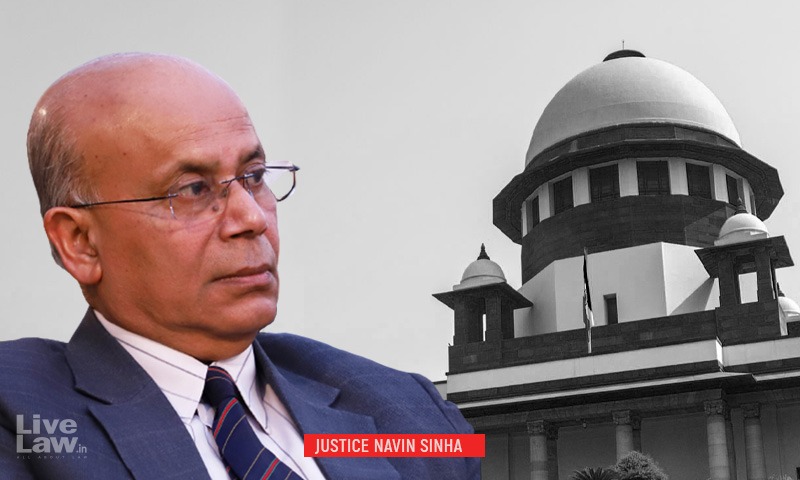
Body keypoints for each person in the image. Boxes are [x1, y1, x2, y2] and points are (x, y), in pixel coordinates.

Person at [0, 53, 479, 479]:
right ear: (80, 242)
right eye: (193, 189)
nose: (252, 218)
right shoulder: (26, 421)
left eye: (254, 177)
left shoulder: (410, 414)